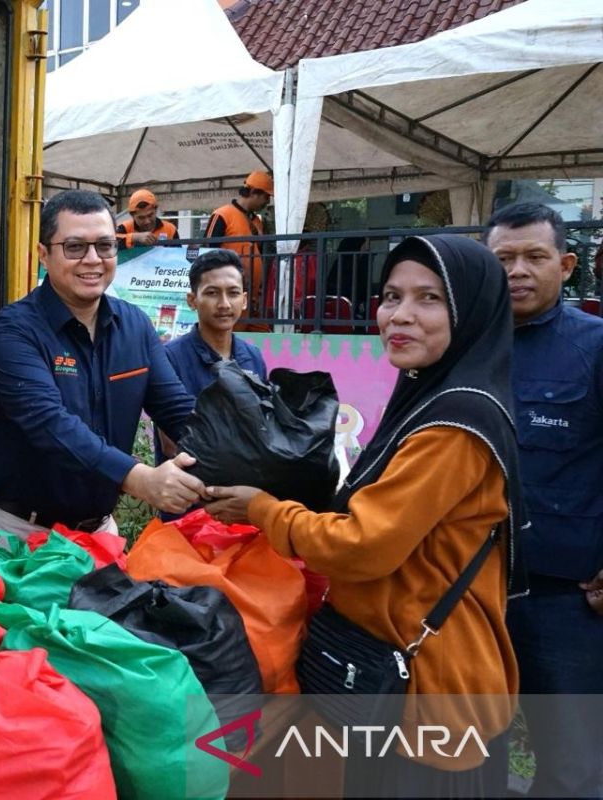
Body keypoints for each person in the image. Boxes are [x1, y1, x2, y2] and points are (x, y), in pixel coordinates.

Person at [206, 234, 524, 797]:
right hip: (396, 678)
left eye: (430, 299)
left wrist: (264, 509)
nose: (400, 315)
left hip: (431, 692)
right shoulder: (432, 394)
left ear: (470, 311)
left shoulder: (454, 425)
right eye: (390, 295)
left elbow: (363, 544)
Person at [0, 189, 207, 547]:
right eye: (74, 247)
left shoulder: (134, 326)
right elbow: (51, 426)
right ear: (43, 254)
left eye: (105, 246)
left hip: (96, 534)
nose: (93, 259)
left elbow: (178, 410)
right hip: (12, 533)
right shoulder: (12, 331)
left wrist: (241, 464)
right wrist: (142, 479)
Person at [486, 202, 603, 799]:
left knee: (573, 764)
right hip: (471, 593)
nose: (517, 270)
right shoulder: (461, 346)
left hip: (567, 599)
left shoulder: (595, 345)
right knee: (474, 755)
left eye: (533, 256)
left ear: (567, 263)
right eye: (502, 258)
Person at [156, 248, 267, 464]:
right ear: (192, 300)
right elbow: (170, 445)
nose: (224, 304)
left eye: (233, 293)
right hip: (189, 490)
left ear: (244, 300)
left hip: (246, 490)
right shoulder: (169, 358)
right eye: (212, 293)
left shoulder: (253, 357)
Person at [204, 170, 273, 322]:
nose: (267, 202)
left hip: (253, 295)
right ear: (254, 192)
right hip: (230, 292)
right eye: (266, 197)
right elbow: (207, 250)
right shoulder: (222, 214)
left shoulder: (257, 221)